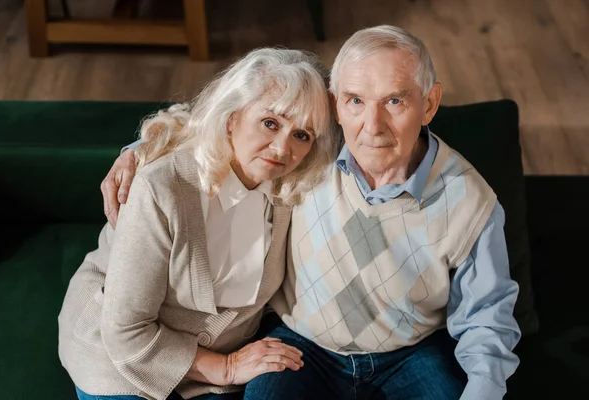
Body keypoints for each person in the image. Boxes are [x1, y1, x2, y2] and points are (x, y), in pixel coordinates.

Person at [104, 25, 521, 400]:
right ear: (337, 105)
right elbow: (234, 113)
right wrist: (141, 152)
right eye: (355, 101)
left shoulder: (471, 200)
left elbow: (488, 322)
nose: (372, 127)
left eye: (395, 101)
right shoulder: (309, 150)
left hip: (409, 353)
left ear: (429, 105)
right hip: (300, 345)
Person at [58, 47, 339, 400]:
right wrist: (227, 368)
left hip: (218, 362)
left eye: (302, 135)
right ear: (232, 117)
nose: (283, 148)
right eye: (270, 123)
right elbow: (125, 331)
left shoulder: (294, 188)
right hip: (117, 355)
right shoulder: (161, 187)